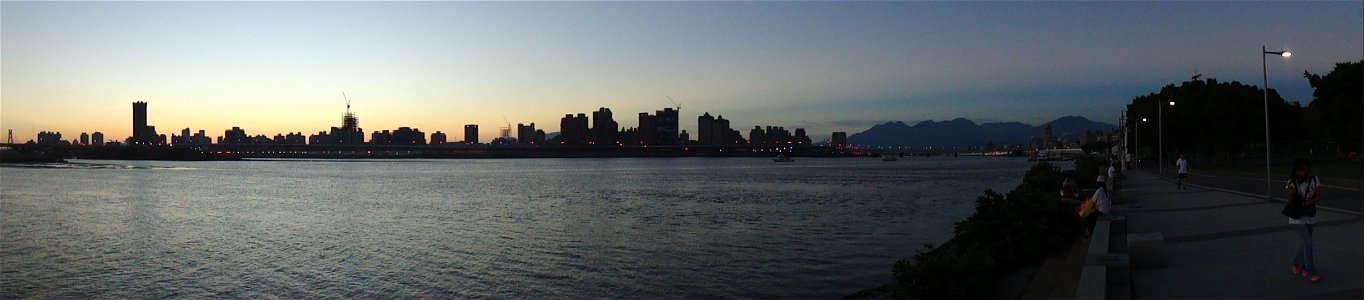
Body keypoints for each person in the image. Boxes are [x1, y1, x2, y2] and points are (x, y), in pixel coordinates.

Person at [1285, 158, 1322, 282]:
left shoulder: (1314, 180)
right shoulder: (1291, 182)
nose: (1303, 172)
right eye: (1300, 170)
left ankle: (1297, 264)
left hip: (1309, 215)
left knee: (1305, 242)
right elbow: (1289, 202)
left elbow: (1318, 197)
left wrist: (1306, 203)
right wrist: (1290, 193)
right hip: (1297, 217)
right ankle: (1311, 271)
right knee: (1308, 243)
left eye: (1305, 169)